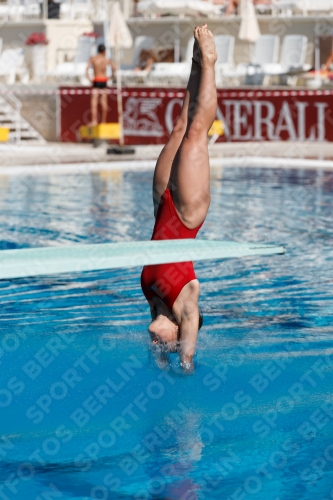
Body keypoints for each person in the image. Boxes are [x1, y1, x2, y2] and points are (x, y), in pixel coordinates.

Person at [141, 24, 217, 371]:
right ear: (183, 331)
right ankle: (212, 63)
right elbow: (187, 358)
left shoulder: (154, 305)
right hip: (186, 214)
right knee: (197, 133)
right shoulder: (188, 305)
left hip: (161, 209)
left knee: (178, 128)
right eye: (164, 343)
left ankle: (195, 63)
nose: (156, 341)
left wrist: (158, 361)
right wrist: (183, 361)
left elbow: (158, 349)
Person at [86, 44, 116, 126]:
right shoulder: (106, 59)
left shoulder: (93, 58)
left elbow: (87, 69)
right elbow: (114, 69)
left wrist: (89, 79)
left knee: (94, 102)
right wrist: (110, 77)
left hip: (96, 80)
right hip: (104, 80)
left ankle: (94, 121)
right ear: (104, 51)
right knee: (103, 102)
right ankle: (103, 122)